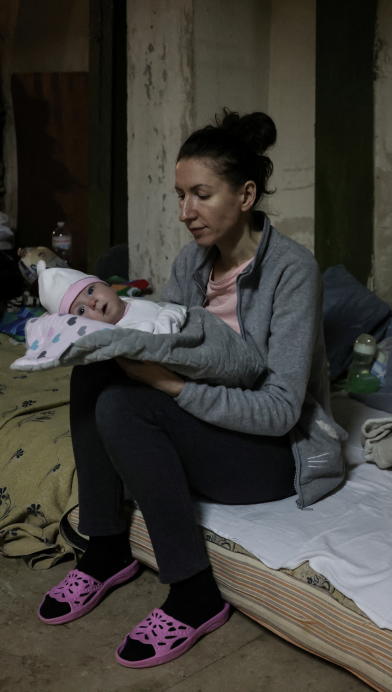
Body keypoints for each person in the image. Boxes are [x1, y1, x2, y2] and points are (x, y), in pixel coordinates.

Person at [35, 109, 344, 668]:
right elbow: (166, 339)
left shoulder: (293, 271)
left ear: (246, 194)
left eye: (200, 195)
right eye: (180, 196)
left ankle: (194, 591)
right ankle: (105, 547)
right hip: (211, 429)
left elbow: (278, 412)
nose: (186, 213)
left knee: (126, 404)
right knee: (95, 370)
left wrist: (168, 386)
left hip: (272, 455)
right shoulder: (191, 263)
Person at [35, 260, 187, 333]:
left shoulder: (127, 302)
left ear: (106, 284)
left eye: (90, 290)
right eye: (81, 310)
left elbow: (170, 308)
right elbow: (161, 339)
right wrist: (170, 314)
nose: (92, 302)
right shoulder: (120, 334)